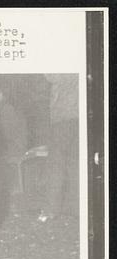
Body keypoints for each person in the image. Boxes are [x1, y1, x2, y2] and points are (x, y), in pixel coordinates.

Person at [42, 74, 79, 219]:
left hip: (63, 117)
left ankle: (51, 210)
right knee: (75, 164)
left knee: (56, 165)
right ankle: (76, 207)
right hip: (78, 115)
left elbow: (50, 76)